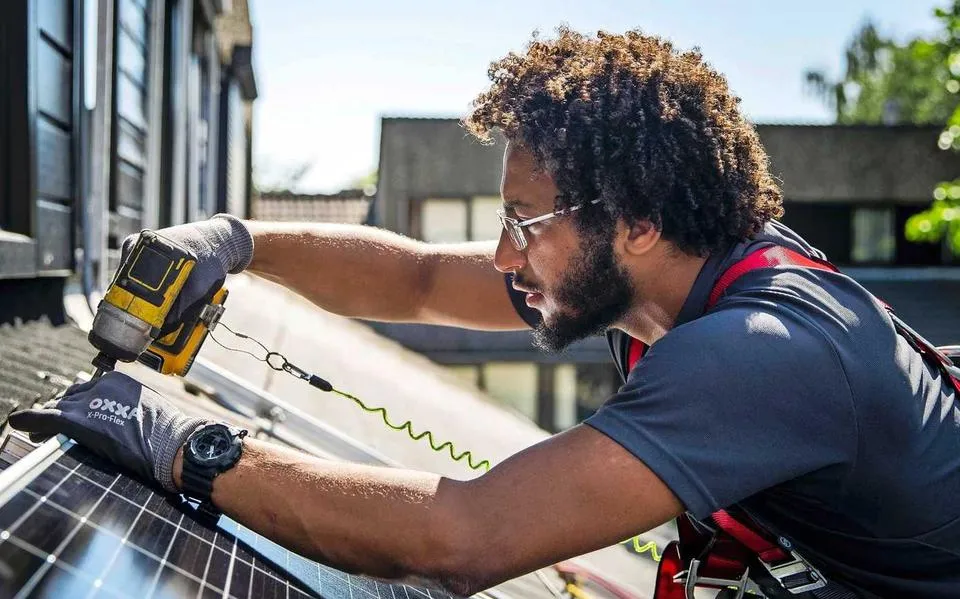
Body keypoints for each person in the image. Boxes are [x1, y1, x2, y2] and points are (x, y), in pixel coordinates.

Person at [11, 27, 960, 598]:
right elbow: (418, 279)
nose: (505, 254)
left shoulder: (761, 351)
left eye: (523, 222)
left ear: (634, 221)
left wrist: (184, 441)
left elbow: (464, 537)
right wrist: (237, 242)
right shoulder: (657, 273)